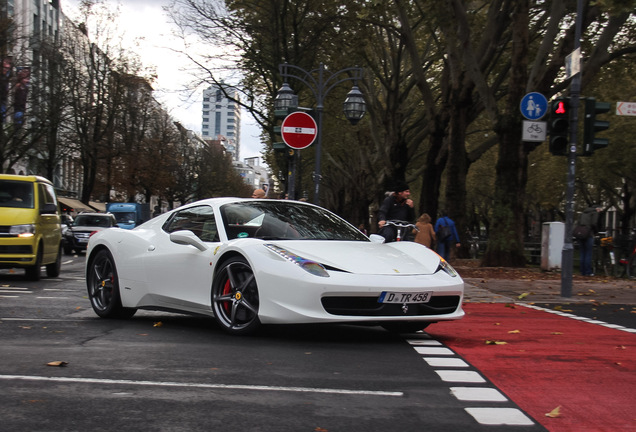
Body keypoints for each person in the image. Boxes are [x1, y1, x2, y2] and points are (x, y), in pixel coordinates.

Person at [576, 205, 602, 276]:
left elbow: (578, 223)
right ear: (597, 208)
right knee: (588, 253)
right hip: (588, 234)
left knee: (582, 253)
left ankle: (582, 271)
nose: (600, 211)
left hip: (580, 234)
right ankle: (588, 271)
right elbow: (594, 223)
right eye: (600, 210)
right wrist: (596, 232)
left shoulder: (583, 213)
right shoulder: (594, 213)